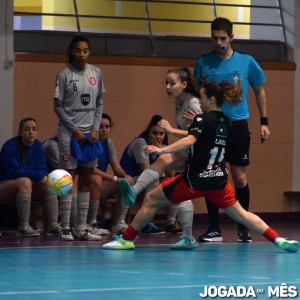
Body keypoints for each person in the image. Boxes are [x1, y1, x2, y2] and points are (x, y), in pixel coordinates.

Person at [102, 81, 299, 253]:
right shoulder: (225, 122)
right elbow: (201, 139)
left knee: (152, 199)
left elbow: (190, 141)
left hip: (195, 180)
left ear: (211, 100)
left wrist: (162, 150)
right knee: (242, 215)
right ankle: (278, 239)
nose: (200, 101)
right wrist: (178, 129)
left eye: (202, 97)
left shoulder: (202, 119)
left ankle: (126, 240)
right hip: (219, 180)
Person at [193, 17, 271, 243]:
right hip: (211, 125)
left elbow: (260, 91)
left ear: (231, 38)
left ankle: (243, 226)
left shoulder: (246, 61)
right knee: (212, 174)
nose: (218, 42)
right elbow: (198, 94)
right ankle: (214, 228)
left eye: (223, 38)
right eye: (215, 38)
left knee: (238, 176)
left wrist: (264, 121)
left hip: (237, 125)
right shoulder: (203, 62)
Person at [117, 68, 202, 244]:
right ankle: (134, 192)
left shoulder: (193, 104)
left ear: (184, 84)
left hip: (199, 155)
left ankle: (187, 237)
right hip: (187, 153)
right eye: (166, 83)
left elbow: (197, 134)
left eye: (172, 83)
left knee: (236, 211)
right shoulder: (180, 101)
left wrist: (170, 131)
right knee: (165, 164)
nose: (167, 87)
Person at [54, 34, 105, 241]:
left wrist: (94, 129)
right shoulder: (64, 75)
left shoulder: (97, 73)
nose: (82, 54)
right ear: (71, 51)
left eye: (85, 50)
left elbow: (100, 103)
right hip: (69, 133)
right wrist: (74, 129)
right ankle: (65, 226)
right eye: (78, 50)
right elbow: (57, 106)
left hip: (90, 135)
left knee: (86, 176)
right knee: (68, 176)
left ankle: (81, 227)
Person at [0, 117, 61, 236]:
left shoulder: (38, 145)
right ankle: (24, 226)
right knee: (25, 181)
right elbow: (14, 171)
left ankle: (53, 225)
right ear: (20, 132)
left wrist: (43, 176)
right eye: (27, 129)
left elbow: (42, 168)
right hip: (5, 185)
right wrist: (37, 174)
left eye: (34, 129)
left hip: (27, 186)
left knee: (49, 182)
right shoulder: (10, 146)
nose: (31, 132)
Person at [118, 114, 173, 234]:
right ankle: (137, 222)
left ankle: (171, 223)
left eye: (161, 134)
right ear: (149, 132)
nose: (158, 137)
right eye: (154, 133)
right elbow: (147, 171)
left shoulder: (163, 147)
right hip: (130, 178)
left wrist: (162, 151)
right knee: (153, 181)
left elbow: (171, 173)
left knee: (174, 183)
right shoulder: (141, 143)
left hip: (142, 180)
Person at [86, 113, 134, 234]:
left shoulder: (109, 143)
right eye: (101, 127)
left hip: (101, 186)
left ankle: (119, 223)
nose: (104, 130)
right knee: (96, 178)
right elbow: (92, 169)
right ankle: (91, 223)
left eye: (107, 127)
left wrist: (124, 175)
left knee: (125, 183)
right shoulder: (89, 142)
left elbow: (116, 166)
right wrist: (114, 178)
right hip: (86, 185)